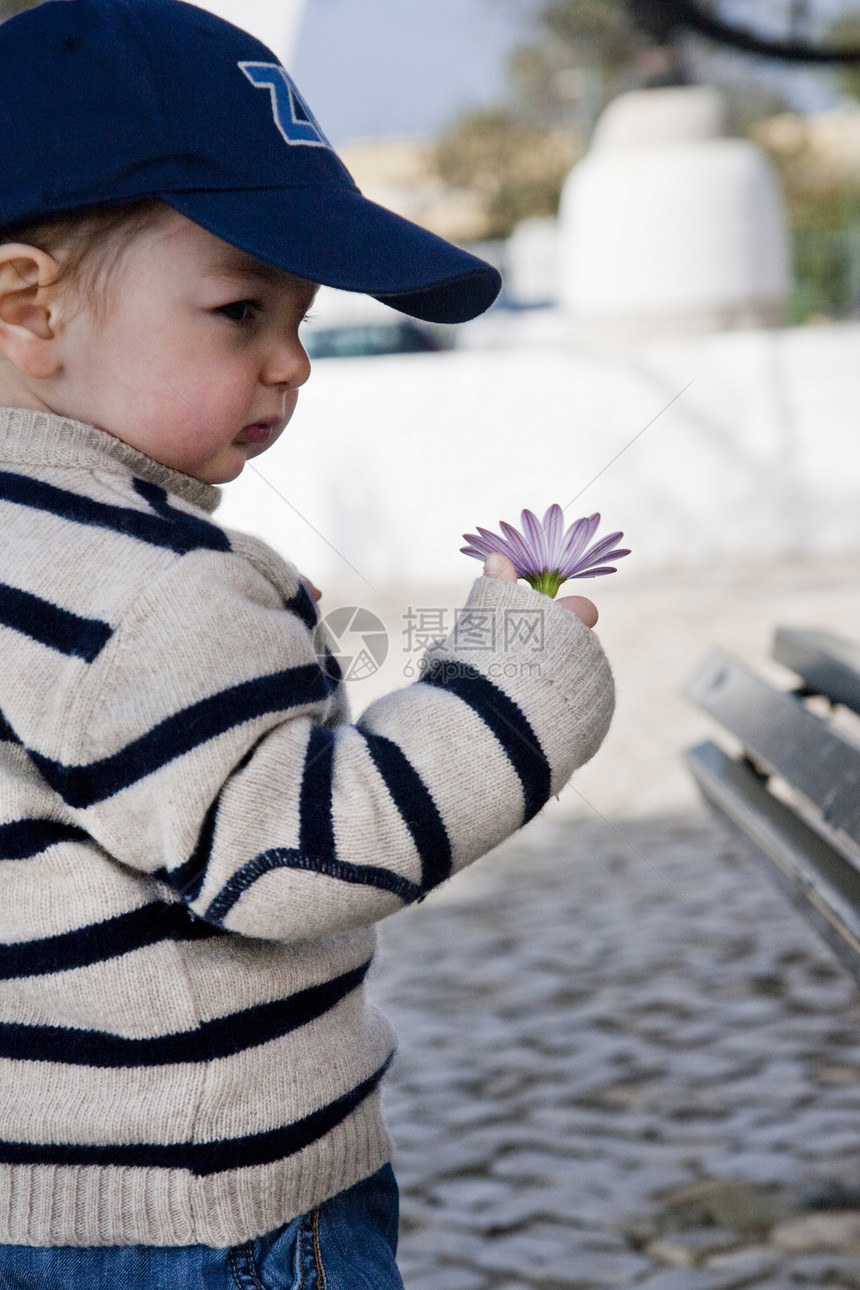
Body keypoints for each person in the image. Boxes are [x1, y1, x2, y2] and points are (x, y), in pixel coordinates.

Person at [0, 1, 615, 1286]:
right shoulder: (140, 582)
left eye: (300, 317)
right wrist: (512, 685)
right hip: (210, 1213)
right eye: (239, 311)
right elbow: (286, 855)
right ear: (27, 305)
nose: (293, 364)